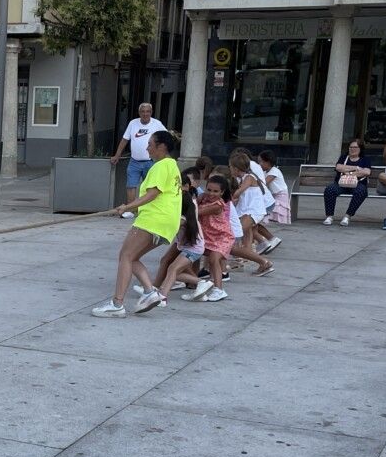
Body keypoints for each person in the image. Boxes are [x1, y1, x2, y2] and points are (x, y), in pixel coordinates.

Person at [92, 129, 181, 317]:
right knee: (131, 257)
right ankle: (149, 292)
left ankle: (117, 304)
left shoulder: (160, 166)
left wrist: (128, 206)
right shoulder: (172, 165)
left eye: (150, 144)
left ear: (161, 147)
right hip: (166, 223)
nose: (147, 148)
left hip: (153, 220)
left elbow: (152, 194)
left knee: (125, 255)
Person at [183, 174, 234, 302]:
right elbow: (194, 203)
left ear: (222, 192)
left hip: (222, 237)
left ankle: (219, 289)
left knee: (213, 260)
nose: (211, 193)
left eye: (215, 191)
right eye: (209, 190)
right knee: (194, 257)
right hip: (206, 236)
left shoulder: (218, 205)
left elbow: (196, 212)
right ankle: (196, 284)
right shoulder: (203, 198)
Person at [111, 103, 168, 214]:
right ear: (139, 113)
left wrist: (162, 156)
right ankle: (131, 210)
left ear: (151, 112)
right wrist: (117, 155)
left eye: (148, 111)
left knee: (150, 187)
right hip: (134, 161)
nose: (145, 114)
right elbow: (124, 140)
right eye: (143, 111)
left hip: (150, 162)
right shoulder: (133, 123)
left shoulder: (157, 124)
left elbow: (166, 138)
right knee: (131, 186)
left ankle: (148, 210)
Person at [228, 151, 274, 276]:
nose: (230, 169)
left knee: (233, 236)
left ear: (237, 169)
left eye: (230, 167)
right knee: (245, 239)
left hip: (253, 211)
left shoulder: (249, 177)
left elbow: (238, 193)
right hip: (246, 211)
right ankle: (244, 261)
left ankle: (263, 262)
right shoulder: (241, 178)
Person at [323, 139, 372, 226]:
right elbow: (338, 167)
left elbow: (367, 172)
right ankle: (329, 216)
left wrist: (348, 172)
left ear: (360, 148)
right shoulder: (343, 157)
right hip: (341, 184)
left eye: (355, 147)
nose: (352, 149)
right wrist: (357, 168)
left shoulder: (365, 159)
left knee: (361, 192)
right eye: (351, 147)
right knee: (329, 189)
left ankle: (347, 216)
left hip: (358, 184)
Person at [258, 151, 291, 227]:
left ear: (268, 162)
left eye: (261, 162)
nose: (259, 164)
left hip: (281, 195)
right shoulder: (265, 172)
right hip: (273, 195)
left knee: (277, 213)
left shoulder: (274, 171)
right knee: (271, 213)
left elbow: (263, 183)